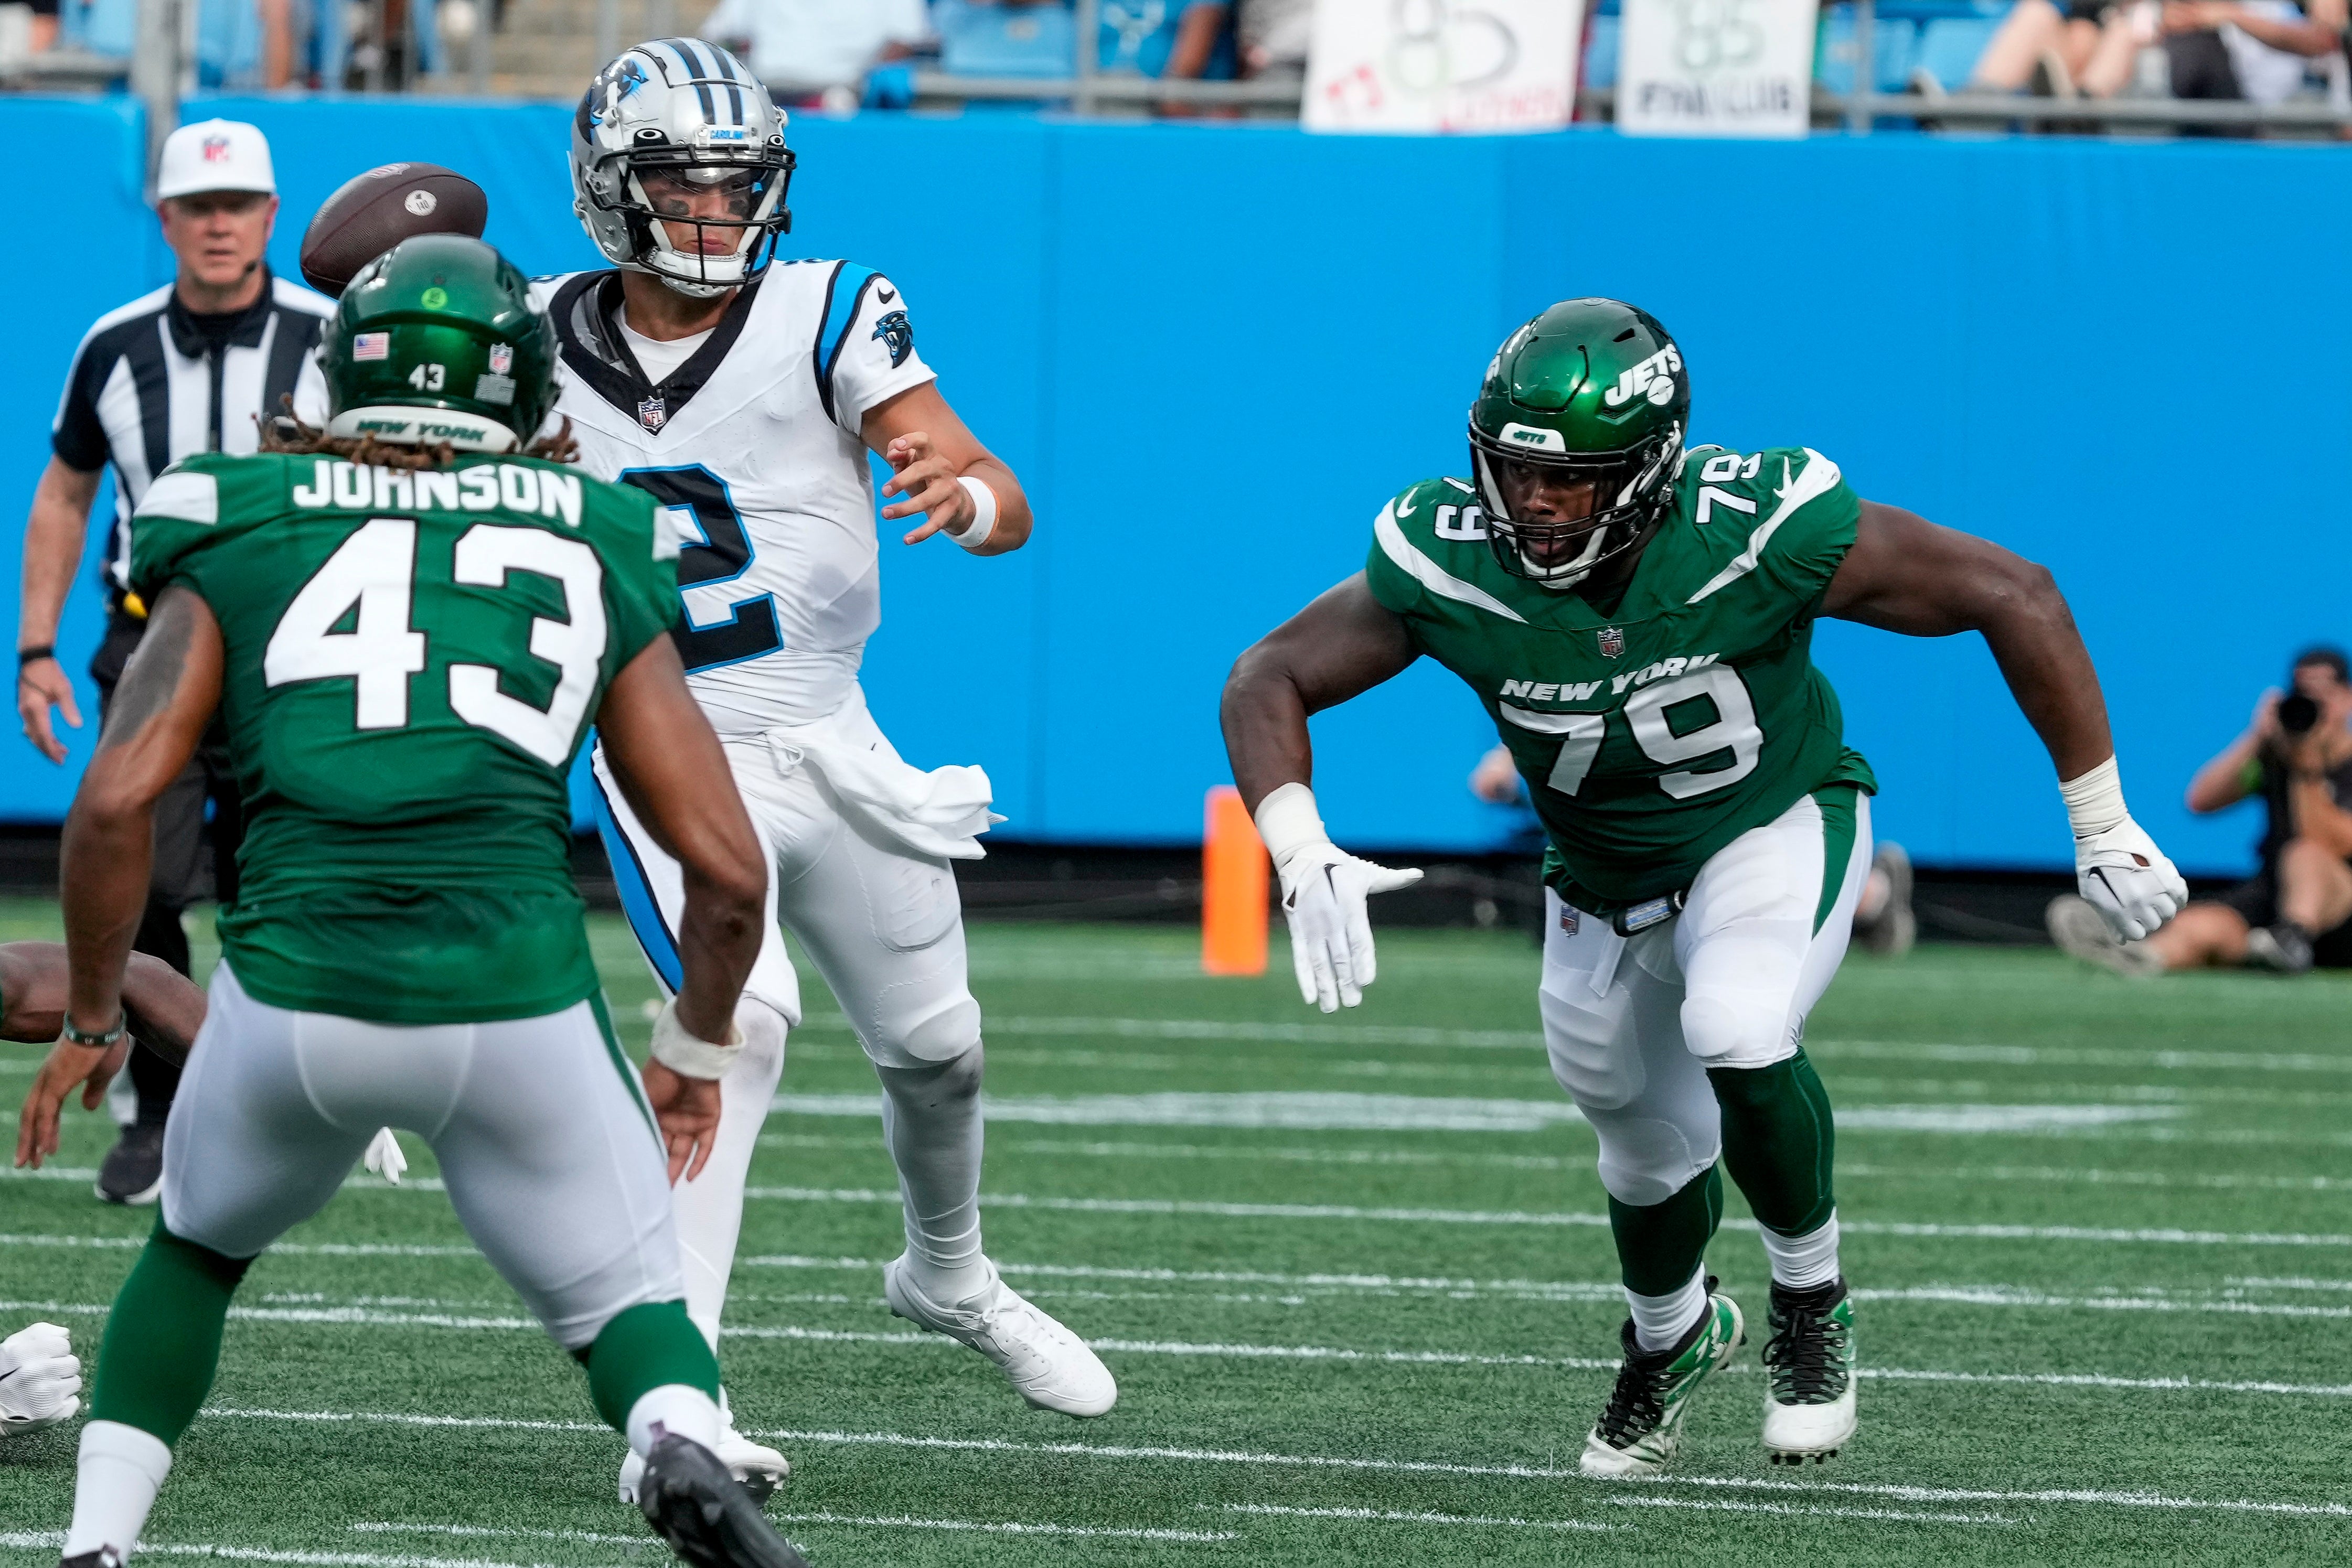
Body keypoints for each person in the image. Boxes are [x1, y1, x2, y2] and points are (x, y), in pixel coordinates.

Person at [1220, 298, 2185, 1477]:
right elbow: (1268, 673)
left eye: (1568, 482)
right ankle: (1672, 1340)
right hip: (1596, 874)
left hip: (1772, 818)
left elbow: (2014, 591)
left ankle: (1809, 1301)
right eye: (1513, 473)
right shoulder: (1446, 553)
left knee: (1737, 1023)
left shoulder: (1754, 526)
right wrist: (1296, 840)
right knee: (1637, 1145)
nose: (1532, 505)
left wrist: (2101, 823)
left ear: (1649, 471)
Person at [10, 234, 813, 1568]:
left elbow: (112, 807)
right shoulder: (600, 531)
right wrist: (692, 1049)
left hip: (292, 1000)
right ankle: (675, 1436)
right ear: (522, 390)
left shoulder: (236, 507)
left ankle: (95, 1547)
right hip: (517, 1003)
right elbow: (727, 870)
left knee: (196, 1254)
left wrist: (100, 1012)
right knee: (628, 1305)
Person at [558, 40, 1115, 1506]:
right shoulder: (532, 340)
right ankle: (681, 1400)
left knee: (941, 1048)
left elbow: (987, 485)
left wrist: (969, 495)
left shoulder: (825, 307)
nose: (717, 209)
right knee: (739, 1025)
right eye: (684, 177)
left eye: (739, 181)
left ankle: (950, 1274)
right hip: (663, 732)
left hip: (832, 731)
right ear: (611, 188)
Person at [16, 117, 332, 1207]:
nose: (217, 224)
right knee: (137, 880)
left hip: (289, 644)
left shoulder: (334, 336)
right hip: (148, 637)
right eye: (198, 207)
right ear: (166, 219)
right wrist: (36, 645)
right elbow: (65, 491)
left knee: (274, 882)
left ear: (269, 217)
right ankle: (161, 1109)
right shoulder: (115, 341)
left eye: (237, 205)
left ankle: (274, 1107)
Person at [2051, 646, 2352, 975]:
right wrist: (2257, 737)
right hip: (2275, 895)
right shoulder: (2278, 756)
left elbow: (2337, 844)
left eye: (2325, 697)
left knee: (2304, 854)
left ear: (2348, 699)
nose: (2316, 710)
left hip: (2340, 905)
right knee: (2206, 924)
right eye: (2305, 698)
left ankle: (2292, 938)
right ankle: (2141, 959)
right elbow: (2201, 800)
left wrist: (2308, 770)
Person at [698, 0, 929, 108]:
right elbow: (724, 35)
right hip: (765, 98)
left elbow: (905, 41)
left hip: (847, 103)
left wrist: (859, 86)